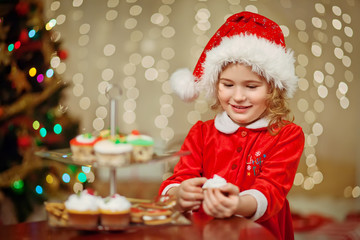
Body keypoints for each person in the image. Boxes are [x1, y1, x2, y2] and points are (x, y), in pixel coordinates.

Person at [158, 11, 305, 240]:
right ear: (216, 85)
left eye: (251, 86)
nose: (237, 97)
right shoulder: (201, 133)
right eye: (228, 84)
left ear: (273, 89)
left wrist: (236, 204)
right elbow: (180, 179)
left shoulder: (286, 135)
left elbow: (271, 191)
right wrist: (178, 194)